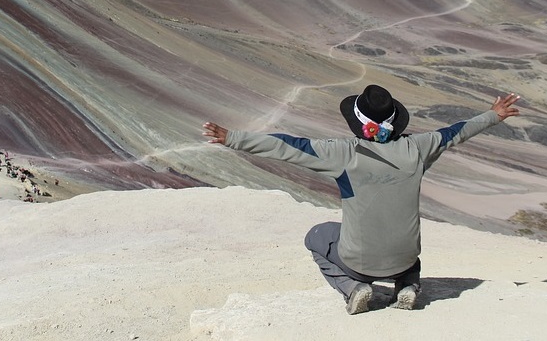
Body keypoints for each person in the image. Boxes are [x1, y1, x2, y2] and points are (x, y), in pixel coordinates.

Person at [203, 84, 521, 314]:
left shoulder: (342, 153)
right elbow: (455, 132)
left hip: (359, 264)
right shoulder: (419, 147)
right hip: (404, 259)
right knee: (407, 246)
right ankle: (408, 286)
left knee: (316, 237)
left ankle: (353, 289)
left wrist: (233, 138)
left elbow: (288, 146)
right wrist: (493, 115)